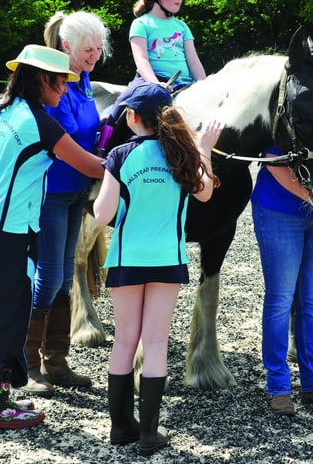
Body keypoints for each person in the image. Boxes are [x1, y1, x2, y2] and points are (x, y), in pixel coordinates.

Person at [93, 83, 222, 454]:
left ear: (133, 118)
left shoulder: (119, 155)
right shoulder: (182, 153)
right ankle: (149, 433)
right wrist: (205, 150)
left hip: (126, 258)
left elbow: (102, 216)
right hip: (167, 258)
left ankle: (120, 428)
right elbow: (205, 193)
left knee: (124, 339)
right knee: (155, 341)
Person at [0, 45, 105, 429]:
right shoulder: (42, 123)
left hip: (7, 221)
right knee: (10, 313)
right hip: (10, 229)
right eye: (62, 84)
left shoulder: (7, 108)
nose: (65, 92)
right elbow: (91, 165)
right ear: (43, 79)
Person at [23, 11, 111, 398]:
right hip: (53, 190)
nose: (95, 55)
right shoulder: (54, 87)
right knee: (50, 275)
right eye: (88, 49)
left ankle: (55, 361)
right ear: (66, 48)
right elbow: (64, 147)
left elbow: (89, 129)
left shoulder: (86, 80)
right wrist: (111, 166)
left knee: (62, 274)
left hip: (77, 191)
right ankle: (25, 363)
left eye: (98, 48)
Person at [251, 143, 313, 417]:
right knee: (281, 299)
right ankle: (278, 386)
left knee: (311, 300)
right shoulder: (295, 102)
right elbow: (273, 158)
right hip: (279, 208)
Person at [97, 0, 206, 154]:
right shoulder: (141, 23)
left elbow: (193, 61)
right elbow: (141, 59)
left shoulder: (182, 27)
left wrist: (204, 83)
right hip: (149, 82)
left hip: (183, 83)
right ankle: (102, 149)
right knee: (121, 106)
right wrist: (156, 84)